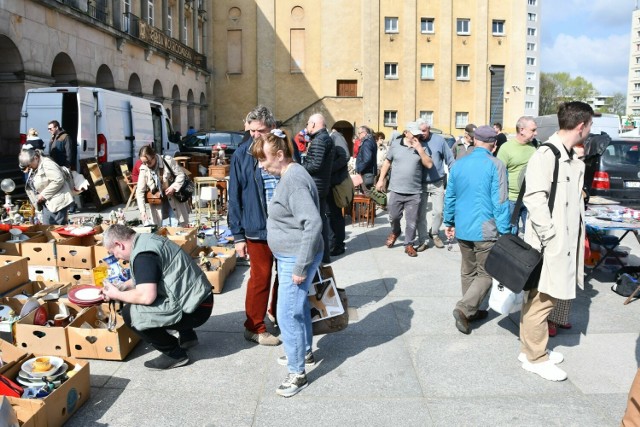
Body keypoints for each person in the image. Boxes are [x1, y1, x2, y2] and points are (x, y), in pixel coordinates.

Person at [518, 101, 591, 382]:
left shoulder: (566, 154)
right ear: (582, 126)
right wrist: (551, 236)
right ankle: (536, 358)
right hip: (549, 244)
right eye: (590, 126)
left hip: (559, 242)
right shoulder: (547, 154)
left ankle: (529, 350)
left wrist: (579, 159)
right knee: (542, 300)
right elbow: (534, 198)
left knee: (539, 299)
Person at [250, 130, 323, 397]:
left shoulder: (293, 180)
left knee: (286, 314)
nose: (261, 165)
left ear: (280, 156)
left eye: (264, 159)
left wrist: (301, 267)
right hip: (291, 254)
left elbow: (313, 222)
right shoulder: (291, 173)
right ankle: (304, 352)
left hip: (296, 257)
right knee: (298, 308)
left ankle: (297, 373)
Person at [101, 225, 213, 370]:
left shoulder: (143, 256)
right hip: (201, 298)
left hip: (195, 309)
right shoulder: (146, 240)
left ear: (119, 244)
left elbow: (146, 297)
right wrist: (122, 287)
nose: (116, 257)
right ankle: (188, 336)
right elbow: (148, 276)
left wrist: (116, 295)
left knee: (130, 314)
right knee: (161, 297)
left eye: (113, 253)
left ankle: (174, 354)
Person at [443, 125, 510, 334]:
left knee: (468, 270)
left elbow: (450, 195)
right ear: (494, 144)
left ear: (473, 140)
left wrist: (449, 222)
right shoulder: (495, 164)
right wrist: (505, 229)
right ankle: (465, 308)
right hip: (485, 228)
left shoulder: (459, 164)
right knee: (486, 273)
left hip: (463, 226)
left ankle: (473, 310)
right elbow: (500, 201)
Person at [228, 105, 281, 346]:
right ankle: (254, 327)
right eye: (251, 131)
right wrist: (238, 235)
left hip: (285, 228)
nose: (254, 136)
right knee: (261, 278)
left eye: (260, 131)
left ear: (273, 128)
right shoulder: (242, 155)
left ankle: (278, 313)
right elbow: (235, 197)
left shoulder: (285, 150)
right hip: (256, 228)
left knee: (288, 276)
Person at [376, 122, 433, 257]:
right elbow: (387, 163)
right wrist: (380, 180)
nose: (417, 136)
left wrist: (419, 149)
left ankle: (409, 244)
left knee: (412, 221)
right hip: (396, 189)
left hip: (414, 191)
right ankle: (396, 231)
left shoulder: (422, 146)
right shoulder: (395, 144)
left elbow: (429, 165)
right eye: (414, 133)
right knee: (394, 216)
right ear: (406, 132)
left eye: (418, 134)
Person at [415, 119, 455, 251]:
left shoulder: (439, 140)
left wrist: (455, 178)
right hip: (420, 183)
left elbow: (450, 160)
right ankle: (423, 240)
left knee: (438, 212)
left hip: (437, 182)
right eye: (420, 131)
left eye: (424, 131)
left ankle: (434, 233)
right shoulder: (416, 141)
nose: (422, 133)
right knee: (420, 214)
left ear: (429, 128)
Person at [497, 116, 538, 233]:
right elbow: (498, 176)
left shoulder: (535, 146)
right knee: (510, 236)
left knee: (532, 234)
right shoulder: (506, 148)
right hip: (511, 200)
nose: (536, 133)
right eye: (533, 130)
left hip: (531, 198)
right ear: (521, 130)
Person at [304, 113, 334, 264]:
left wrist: (299, 167)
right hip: (321, 185)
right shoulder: (324, 138)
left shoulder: (319, 140)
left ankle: (321, 255)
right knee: (320, 220)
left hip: (316, 186)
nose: (307, 127)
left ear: (314, 125)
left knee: (316, 223)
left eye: (308, 124)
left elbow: (315, 165)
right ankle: (324, 255)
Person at [135, 145, 190, 227]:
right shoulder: (144, 169)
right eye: (143, 162)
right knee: (159, 232)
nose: (146, 165)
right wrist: (143, 211)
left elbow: (181, 175)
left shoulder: (167, 160)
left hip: (174, 199)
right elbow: (140, 192)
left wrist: (173, 187)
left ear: (154, 156)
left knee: (176, 228)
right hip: (157, 203)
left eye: (148, 162)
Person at [19, 148, 74, 225]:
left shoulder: (47, 164)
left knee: (54, 231)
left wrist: (43, 195)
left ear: (36, 158)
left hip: (56, 204)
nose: (29, 168)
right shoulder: (36, 164)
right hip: (47, 203)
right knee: (48, 230)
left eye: (29, 165)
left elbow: (58, 180)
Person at [328, 125, 350, 256]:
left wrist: (330, 167)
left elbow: (345, 156)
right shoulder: (333, 137)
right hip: (333, 181)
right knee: (332, 214)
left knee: (335, 215)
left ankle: (338, 245)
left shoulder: (336, 137)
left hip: (336, 182)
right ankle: (335, 244)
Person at [354, 126, 377, 191]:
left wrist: (359, 168)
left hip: (367, 174)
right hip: (369, 173)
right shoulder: (371, 140)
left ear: (364, 133)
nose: (358, 135)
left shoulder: (366, 142)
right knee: (369, 194)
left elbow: (367, 159)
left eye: (359, 133)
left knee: (367, 194)